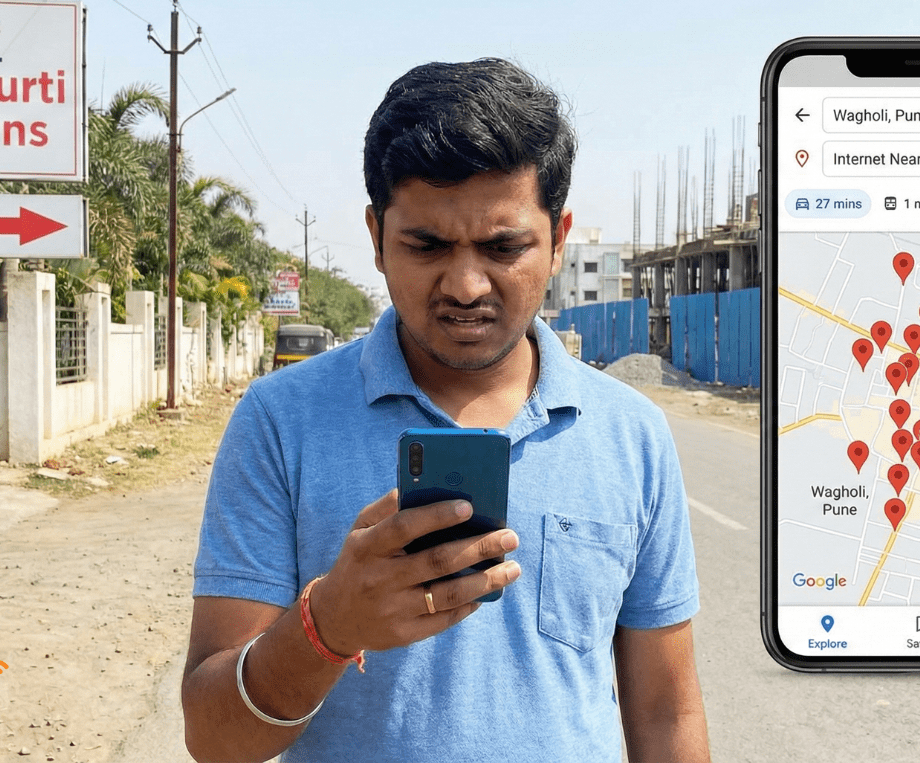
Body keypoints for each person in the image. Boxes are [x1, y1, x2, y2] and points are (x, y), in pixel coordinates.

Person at [181, 57, 711, 763]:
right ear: (375, 237)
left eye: (503, 246)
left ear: (557, 239)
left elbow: (666, 713)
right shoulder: (281, 422)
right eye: (426, 245)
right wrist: (326, 627)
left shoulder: (632, 434)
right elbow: (216, 740)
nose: (465, 285)